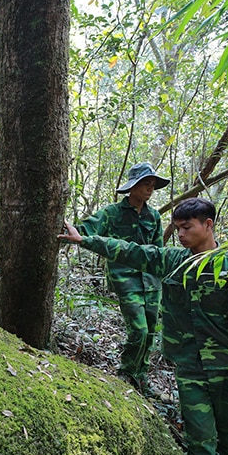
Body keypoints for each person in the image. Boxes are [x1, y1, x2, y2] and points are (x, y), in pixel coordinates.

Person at [59, 197, 228, 455]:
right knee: (198, 432)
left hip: (227, 369)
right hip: (190, 366)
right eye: (177, 228)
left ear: (208, 225)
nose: (179, 234)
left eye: (187, 227)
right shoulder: (174, 261)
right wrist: (85, 239)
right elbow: (133, 252)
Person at [74, 162, 169, 396]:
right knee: (139, 330)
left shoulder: (153, 216)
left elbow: (158, 251)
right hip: (125, 278)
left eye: (152, 185)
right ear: (133, 186)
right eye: (146, 184)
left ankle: (141, 375)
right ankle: (125, 373)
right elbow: (86, 229)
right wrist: (70, 233)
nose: (150, 189)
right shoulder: (111, 213)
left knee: (151, 333)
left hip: (151, 281)